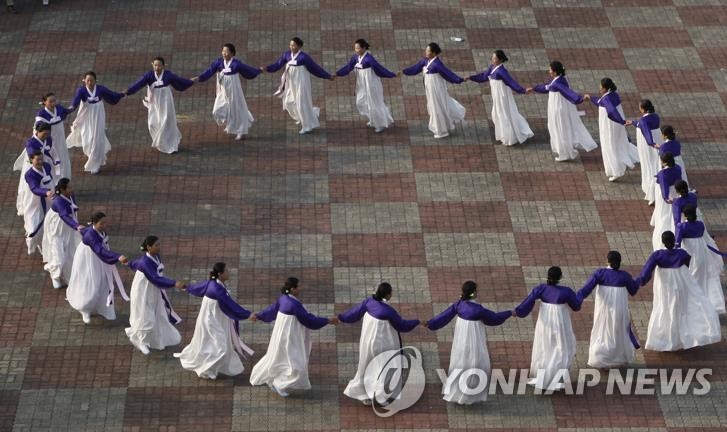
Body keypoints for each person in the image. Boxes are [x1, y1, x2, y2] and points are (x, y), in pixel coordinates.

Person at [425, 281, 512, 404]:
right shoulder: (478, 310)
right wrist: (509, 313)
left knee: (461, 359)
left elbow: (444, 316)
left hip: (461, 338)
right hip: (474, 338)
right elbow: (494, 319)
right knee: (476, 361)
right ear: (473, 293)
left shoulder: (459, 305)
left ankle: (458, 390)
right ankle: (472, 391)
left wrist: (430, 323)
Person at [249, 277, 337, 397]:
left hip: (281, 336)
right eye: (298, 287)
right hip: (290, 338)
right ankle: (279, 384)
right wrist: (327, 320)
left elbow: (271, 311)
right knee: (296, 364)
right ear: (292, 289)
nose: (299, 289)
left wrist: (259, 315)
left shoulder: (283, 299)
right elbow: (308, 319)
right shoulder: (294, 305)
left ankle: (276, 381)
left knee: (280, 358)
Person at [636, 231, 721, 351]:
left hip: (665, 286)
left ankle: (667, 338)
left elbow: (646, 272)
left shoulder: (657, 255)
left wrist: (639, 282)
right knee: (680, 308)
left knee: (665, 308)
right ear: (673, 240)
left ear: (663, 242)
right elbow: (687, 262)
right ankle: (681, 336)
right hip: (681, 283)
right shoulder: (681, 253)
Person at [338, 282, 420, 406]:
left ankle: (363, 394)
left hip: (367, 343)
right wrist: (417, 322)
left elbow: (353, 313)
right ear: (387, 294)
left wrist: (340, 317)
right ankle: (382, 396)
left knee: (365, 367)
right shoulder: (388, 311)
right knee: (384, 368)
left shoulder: (369, 302)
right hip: (383, 345)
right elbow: (402, 325)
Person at [175, 262, 253, 379]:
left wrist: (186, 287)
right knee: (220, 346)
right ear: (220, 274)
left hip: (215, 318)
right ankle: (205, 369)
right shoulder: (217, 289)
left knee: (212, 344)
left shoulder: (213, 283)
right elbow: (231, 305)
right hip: (211, 321)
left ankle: (210, 368)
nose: (228, 272)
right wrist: (248, 314)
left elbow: (197, 288)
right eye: (226, 271)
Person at [515, 266, 581, 390]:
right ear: (560, 277)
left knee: (544, 345)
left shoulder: (541, 289)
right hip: (561, 323)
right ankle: (556, 377)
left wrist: (517, 311)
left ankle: (542, 375)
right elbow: (576, 306)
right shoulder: (566, 291)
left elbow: (528, 301)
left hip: (545, 322)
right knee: (562, 346)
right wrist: (581, 294)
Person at [577, 251, 640, 369]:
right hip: (620, 311)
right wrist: (638, 280)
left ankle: (601, 358)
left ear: (608, 261)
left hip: (604, 311)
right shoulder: (625, 276)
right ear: (620, 262)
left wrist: (576, 300)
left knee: (602, 332)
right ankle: (618, 359)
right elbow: (633, 290)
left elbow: (586, 289)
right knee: (618, 331)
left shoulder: (600, 273)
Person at [526, 61, 597, 162]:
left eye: (550, 69)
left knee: (558, 129)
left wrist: (580, 98)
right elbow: (547, 87)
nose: (548, 71)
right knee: (558, 128)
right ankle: (564, 151)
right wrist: (534, 88)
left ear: (555, 72)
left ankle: (564, 153)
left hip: (557, 110)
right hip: (557, 107)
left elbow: (569, 93)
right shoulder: (558, 80)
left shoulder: (558, 83)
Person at [126, 236, 186, 355]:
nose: (159, 247)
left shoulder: (155, 256)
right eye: (156, 245)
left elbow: (136, 263)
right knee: (146, 316)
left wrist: (129, 263)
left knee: (158, 313)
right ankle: (139, 339)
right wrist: (174, 283)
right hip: (143, 291)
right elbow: (155, 278)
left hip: (153, 289)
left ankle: (156, 340)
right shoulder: (146, 262)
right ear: (149, 247)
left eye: (159, 244)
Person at [66, 211, 129, 324]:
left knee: (102, 282)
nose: (104, 225)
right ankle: (84, 308)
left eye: (105, 223)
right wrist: (117, 256)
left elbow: (85, 232)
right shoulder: (91, 235)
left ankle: (102, 308)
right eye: (102, 223)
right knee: (91, 283)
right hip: (88, 258)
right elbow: (99, 250)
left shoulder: (98, 231)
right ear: (94, 223)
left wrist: (80, 228)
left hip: (98, 257)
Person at [263, 37, 334, 135]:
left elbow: (315, 69)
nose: (291, 47)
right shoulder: (287, 55)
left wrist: (327, 76)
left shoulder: (304, 57)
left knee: (301, 103)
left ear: (299, 46)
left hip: (301, 82)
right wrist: (267, 68)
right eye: (290, 45)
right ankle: (304, 116)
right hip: (291, 83)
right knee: (289, 102)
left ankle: (307, 126)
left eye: (293, 45)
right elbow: (278, 64)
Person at [125, 57, 194, 153]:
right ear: (152, 64)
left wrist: (190, 81)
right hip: (154, 102)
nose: (157, 67)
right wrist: (128, 91)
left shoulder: (168, 75)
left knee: (166, 122)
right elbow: (138, 84)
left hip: (166, 101)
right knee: (152, 123)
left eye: (159, 65)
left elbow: (179, 81)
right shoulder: (148, 75)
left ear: (163, 66)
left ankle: (170, 144)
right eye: (155, 65)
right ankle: (160, 141)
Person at [193, 43, 260, 140]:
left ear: (232, 53)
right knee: (217, 109)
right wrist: (200, 78)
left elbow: (248, 69)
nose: (224, 53)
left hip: (234, 90)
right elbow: (209, 71)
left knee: (237, 108)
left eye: (226, 51)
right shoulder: (219, 62)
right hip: (223, 90)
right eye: (223, 51)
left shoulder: (236, 64)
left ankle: (240, 130)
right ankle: (229, 122)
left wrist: (258, 70)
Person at [401, 42, 466, 139]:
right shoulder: (425, 61)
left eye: (428, 51)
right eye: (426, 50)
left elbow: (448, 74)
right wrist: (404, 71)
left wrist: (459, 79)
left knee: (437, 108)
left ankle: (442, 131)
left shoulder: (437, 64)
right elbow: (416, 68)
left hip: (437, 90)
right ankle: (442, 127)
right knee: (434, 107)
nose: (426, 52)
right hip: (430, 90)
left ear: (434, 53)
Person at [468, 49, 533, 146]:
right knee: (497, 114)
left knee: (504, 115)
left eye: (494, 58)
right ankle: (505, 135)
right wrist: (471, 77)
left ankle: (510, 137)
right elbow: (483, 77)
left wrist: (522, 90)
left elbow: (511, 82)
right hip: (496, 96)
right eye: (492, 57)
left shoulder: (502, 71)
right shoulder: (492, 67)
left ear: (500, 60)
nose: (492, 59)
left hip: (502, 97)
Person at [66, 71, 125, 174]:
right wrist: (71, 107)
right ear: (84, 81)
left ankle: (95, 163)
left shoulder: (100, 89)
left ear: (95, 81)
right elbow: (75, 100)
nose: (90, 82)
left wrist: (122, 94)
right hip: (86, 116)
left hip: (98, 115)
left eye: (92, 80)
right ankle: (91, 154)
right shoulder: (81, 90)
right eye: (88, 80)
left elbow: (111, 95)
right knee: (86, 137)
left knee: (96, 137)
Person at [584, 78, 639, 182]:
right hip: (616, 124)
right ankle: (628, 158)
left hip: (610, 125)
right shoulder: (613, 94)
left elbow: (611, 110)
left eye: (601, 86)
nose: (599, 88)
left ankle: (616, 171)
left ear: (605, 88)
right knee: (619, 142)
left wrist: (621, 121)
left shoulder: (607, 99)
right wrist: (590, 97)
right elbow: (600, 102)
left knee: (609, 145)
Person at [335, 39, 395, 133]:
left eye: (358, 48)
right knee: (360, 102)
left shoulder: (369, 59)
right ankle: (373, 117)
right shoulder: (355, 58)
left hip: (371, 83)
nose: (356, 50)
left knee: (374, 102)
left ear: (363, 48)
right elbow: (348, 67)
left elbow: (380, 69)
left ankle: (380, 124)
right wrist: (337, 73)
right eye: (355, 48)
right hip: (361, 83)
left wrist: (392, 74)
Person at [675, 206, 726, 315]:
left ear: (685, 215)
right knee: (705, 277)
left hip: (690, 255)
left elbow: (677, 243)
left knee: (692, 278)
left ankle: (693, 303)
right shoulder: (700, 225)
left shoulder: (682, 226)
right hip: (703, 254)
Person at [41, 178, 84, 289]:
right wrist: (76, 226)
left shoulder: (71, 195)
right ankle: (54, 276)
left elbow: (72, 208)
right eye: (69, 187)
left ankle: (67, 275)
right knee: (58, 255)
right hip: (56, 227)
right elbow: (64, 216)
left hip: (67, 226)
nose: (72, 189)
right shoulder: (58, 201)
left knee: (70, 251)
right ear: (62, 189)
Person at [14, 122, 59, 217]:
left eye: (48, 133)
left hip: (45, 163)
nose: (46, 136)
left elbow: (52, 149)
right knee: (31, 186)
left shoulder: (48, 139)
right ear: (38, 132)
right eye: (44, 134)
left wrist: (56, 161)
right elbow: (32, 153)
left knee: (50, 181)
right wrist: (37, 162)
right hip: (34, 164)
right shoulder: (30, 143)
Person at [625, 100, 661, 204]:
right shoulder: (655, 116)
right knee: (656, 163)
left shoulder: (643, 121)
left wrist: (652, 143)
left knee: (649, 165)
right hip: (657, 140)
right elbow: (641, 124)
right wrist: (633, 122)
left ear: (643, 109)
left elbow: (646, 133)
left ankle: (652, 193)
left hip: (648, 145)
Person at [21, 151, 54, 255]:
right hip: (35, 202)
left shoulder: (47, 167)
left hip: (49, 199)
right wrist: (45, 192)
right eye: (37, 159)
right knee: (34, 224)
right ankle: (32, 242)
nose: (40, 161)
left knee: (48, 222)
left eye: (41, 159)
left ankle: (44, 246)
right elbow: (34, 188)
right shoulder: (30, 175)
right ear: (31, 160)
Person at [35, 92, 73, 179]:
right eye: (50, 101)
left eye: (54, 101)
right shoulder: (41, 114)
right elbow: (38, 125)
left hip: (61, 140)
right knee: (53, 160)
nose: (53, 103)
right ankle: (55, 181)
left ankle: (64, 180)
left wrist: (73, 107)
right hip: (50, 140)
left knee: (63, 158)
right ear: (44, 102)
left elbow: (66, 111)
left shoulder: (58, 108)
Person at [651, 152, 683, 250]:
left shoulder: (663, 173)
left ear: (664, 162)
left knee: (664, 211)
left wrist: (665, 198)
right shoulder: (678, 167)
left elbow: (664, 187)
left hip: (666, 193)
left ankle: (664, 228)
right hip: (675, 191)